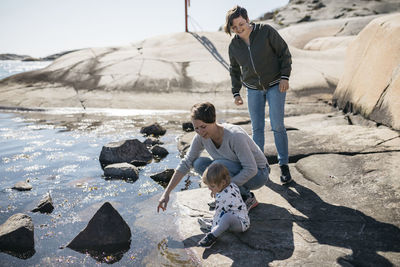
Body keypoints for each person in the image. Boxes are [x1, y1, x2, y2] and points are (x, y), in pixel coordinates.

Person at [157, 102, 269, 213]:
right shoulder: (200, 137)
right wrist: (166, 193)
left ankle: (246, 197)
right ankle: (230, 196)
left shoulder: (235, 135)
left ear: (213, 120)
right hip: (234, 168)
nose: (200, 132)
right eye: (196, 128)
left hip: (259, 175)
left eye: (203, 127)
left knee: (218, 165)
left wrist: (223, 189)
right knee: (198, 163)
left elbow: (251, 169)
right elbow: (186, 163)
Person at [225, 5, 293, 184]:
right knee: (257, 129)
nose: (239, 29)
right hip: (252, 88)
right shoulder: (234, 45)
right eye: (234, 27)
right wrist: (236, 92)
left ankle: (284, 165)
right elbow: (234, 70)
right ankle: (261, 167)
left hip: (275, 84)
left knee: (277, 125)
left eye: (241, 24)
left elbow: (284, 53)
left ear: (247, 19)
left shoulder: (265, 31)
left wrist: (285, 77)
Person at [197, 163, 250, 248]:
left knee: (226, 217)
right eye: (208, 186)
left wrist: (214, 227)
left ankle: (212, 236)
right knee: (225, 216)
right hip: (240, 217)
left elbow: (218, 213)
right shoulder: (232, 185)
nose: (209, 188)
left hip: (240, 223)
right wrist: (215, 190)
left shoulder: (223, 196)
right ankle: (217, 225)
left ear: (223, 182)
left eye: (212, 186)